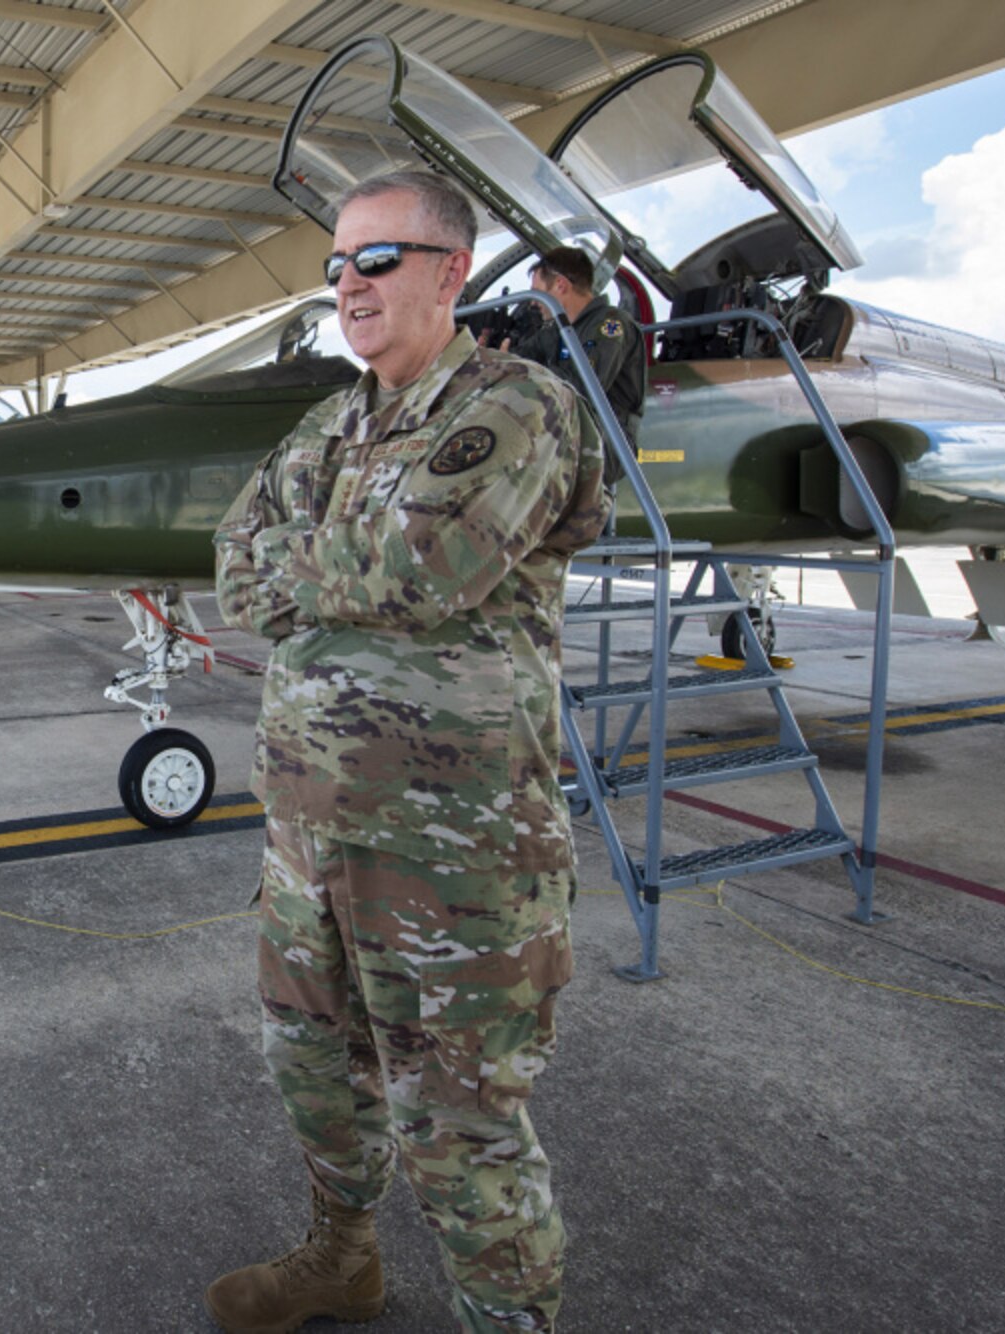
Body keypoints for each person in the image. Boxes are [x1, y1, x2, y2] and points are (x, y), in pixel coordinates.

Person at [208, 171, 609, 1334]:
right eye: (333, 265)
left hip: (456, 851)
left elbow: (425, 567)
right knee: (312, 1075)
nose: (346, 284)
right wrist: (332, 562)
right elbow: (234, 560)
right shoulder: (332, 420)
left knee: (460, 1124)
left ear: (446, 270)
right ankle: (340, 1255)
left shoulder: (516, 404)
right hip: (308, 843)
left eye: (373, 260)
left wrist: (316, 564)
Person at [505, 245, 646, 479]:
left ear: (560, 285)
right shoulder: (557, 330)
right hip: (570, 430)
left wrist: (520, 370)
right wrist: (496, 356)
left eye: (537, 292)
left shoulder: (610, 325)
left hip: (606, 442)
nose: (532, 302)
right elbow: (522, 357)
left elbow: (581, 388)